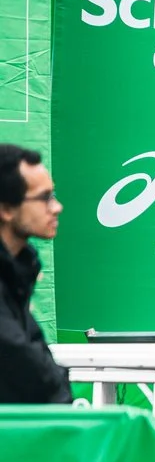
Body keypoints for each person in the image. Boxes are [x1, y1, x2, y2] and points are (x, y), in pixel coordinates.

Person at [0, 145, 68, 405]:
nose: (57, 207)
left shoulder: (18, 270)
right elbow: (29, 371)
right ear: (6, 209)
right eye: (45, 198)